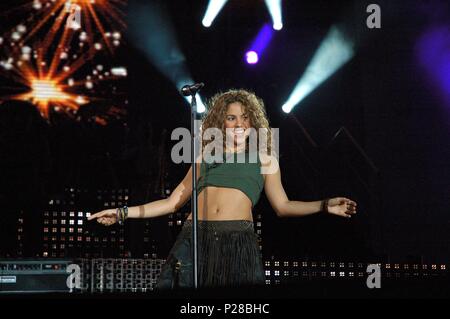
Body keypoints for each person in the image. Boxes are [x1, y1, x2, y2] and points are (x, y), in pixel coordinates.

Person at [88, 89, 357, 289]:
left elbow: (283, 206)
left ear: (252, 124)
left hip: (237, 242)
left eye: (245, 118)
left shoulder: (265, 159)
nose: (239, 123)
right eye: (231, 118)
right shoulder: (204, 157)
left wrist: (323, 205)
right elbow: (172, 203)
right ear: (221, 122)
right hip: (194, 240)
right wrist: (122, 212)